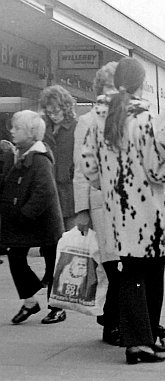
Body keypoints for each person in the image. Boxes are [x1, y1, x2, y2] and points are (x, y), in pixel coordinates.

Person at [82, 57, 165, 364]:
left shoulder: (98, 116)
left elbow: (89, 165)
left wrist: (111, 185)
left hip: (119, 208)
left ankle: (137, 340)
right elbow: (156, 170)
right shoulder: (144, 117)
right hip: (151, 209)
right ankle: (148, 338)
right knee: (154, 271)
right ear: (142, 83)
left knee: (130, 271)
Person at [73, 61, 123, 345]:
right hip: (100, 202)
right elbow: (81, 168)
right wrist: (82, 210)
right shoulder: (88, 120)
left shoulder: (124, 117)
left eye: (116, 87)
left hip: (126, 204)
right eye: (107, 87)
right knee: (112, 265)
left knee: (124, 265)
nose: (111, 93)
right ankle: (113, 324)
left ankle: (120, 317)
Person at [0, 111, 64, 325]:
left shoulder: (39, 157)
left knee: (52, 263)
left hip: (42, 220)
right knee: (16, 259)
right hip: (24, 220)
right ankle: (30, 301)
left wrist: (25, 214)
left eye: (17, 128)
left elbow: (44, 191)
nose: (12, 131)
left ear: (30, 132)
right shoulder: (18, 153)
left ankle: (57, 308)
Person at [40, 85, 77, 232]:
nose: (53, 116)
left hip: (69, 191)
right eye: (49, 113)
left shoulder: (76, 127)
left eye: (56, 111)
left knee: (71, 238)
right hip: (50, 189)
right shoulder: (43, 129)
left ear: (66, 107)